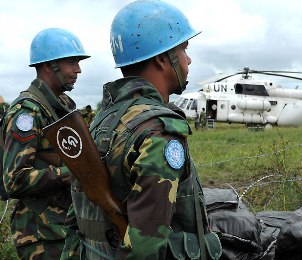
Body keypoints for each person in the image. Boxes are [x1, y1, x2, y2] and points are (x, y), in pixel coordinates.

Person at [61, 1, 222, 259]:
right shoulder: (159, 130)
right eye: (183, 49)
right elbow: (146, 247)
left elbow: (77, 219)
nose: (188, 59)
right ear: (162, 59)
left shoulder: (103, 119)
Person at [1, 28, 90, 259]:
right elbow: (15, 180)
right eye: (72, 62)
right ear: (49, 66)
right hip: (40, 235)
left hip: (64, 226)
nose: (78, 69)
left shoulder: (62, 105)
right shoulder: (27, 113)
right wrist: (72, 172)